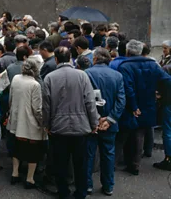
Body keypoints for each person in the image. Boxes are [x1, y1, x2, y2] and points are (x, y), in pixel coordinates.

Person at [42, 47, 99, 199]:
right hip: (81, 126)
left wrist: (46, 124)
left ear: (56, 59)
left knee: (60, 163)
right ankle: (80, 192)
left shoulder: (49, 78)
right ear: (70, 58)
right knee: (80, 163)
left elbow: (46, 106)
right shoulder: (82, 76)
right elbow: (90, 102)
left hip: (58, 127)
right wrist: (94, 123)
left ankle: (63, 192)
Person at [115, 40, 171, 175]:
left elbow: (128, 88)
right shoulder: (153, 65)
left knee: (124, 134)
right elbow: (167, 80)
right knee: (140, 134)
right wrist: (160, 94)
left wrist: (133, 106)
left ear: (128, 51)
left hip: (131, 104)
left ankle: (118, 163)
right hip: (148, 102)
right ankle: (135, 164)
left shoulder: (125, 66)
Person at [84, 48, 126, 196]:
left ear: (94, 59)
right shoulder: (118, 76)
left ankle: (87, 185)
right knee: (108, 154)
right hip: (109, 122)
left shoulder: (86, 74)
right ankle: (108, 186)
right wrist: (110, 119)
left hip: (90, 122)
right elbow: (121, 101)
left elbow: (84, 100)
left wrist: (94, 119)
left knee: (88, 154)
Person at [7, 59, 46, 189]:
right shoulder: (35, 84)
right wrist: (43, 122)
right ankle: (30, 179)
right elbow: (37, 108)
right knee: (33, 152)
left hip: (16, 120)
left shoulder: (16, 79)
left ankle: (15, 173)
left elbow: (10, 99)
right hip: (30, 123)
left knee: (16, 148)